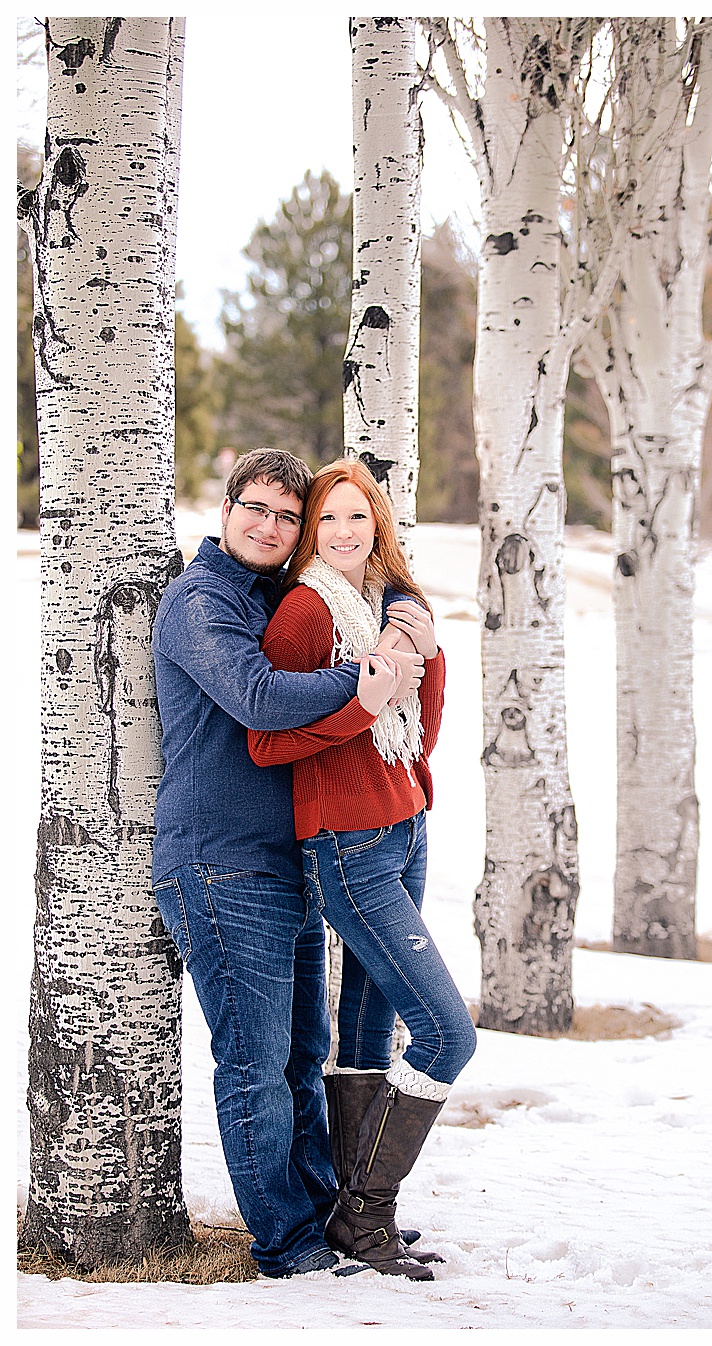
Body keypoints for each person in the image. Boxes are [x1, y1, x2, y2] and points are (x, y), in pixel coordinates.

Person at [152, 448, 423, 1278]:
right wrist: (365, 683)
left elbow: (384, 583)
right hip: (219, 862)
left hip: (289, 859)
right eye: (255, 508)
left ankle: (323, 1219)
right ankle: (285, 1243)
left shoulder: (280, 595)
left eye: (286, 515)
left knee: (304, 1053)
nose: (270, 526)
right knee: (257, 1063)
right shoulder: (202, 601)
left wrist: (406, 614)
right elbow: (261, 698)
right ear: (225, 507)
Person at [248, 457, 475, 1280]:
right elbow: (268, 741)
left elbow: (422, 732)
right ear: (312, 532)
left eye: (358, 518)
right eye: (328, 520)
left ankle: (360, 1221)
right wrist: (363, 700)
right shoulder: (308, 613)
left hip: (406, 828)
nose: (343, 534)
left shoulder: (388, 606)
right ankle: (362, 1212)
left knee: (371, 1034)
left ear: (378, 524)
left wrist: (428, 655)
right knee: (450, 1033)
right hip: (347, 846)